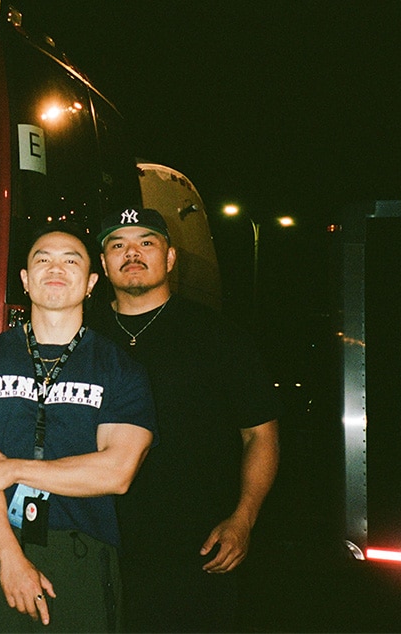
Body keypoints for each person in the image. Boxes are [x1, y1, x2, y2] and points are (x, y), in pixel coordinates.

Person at [0, 223, 156, 632]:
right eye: (43, 259)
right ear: (25, 280)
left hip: (82, 548)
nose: (55, 268)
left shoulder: (120, 369)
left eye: (70, 261)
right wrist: (10, 557)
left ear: (91, 283)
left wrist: (13, 469)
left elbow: (118, 471)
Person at [90, 207, 280, 633]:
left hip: (194, 548)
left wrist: (243, 519)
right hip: (95, 542)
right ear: (103, 263)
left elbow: (260, 434)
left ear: (171, 257)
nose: (132, 253)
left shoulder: (218, 335)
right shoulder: (80, 335)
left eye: (146, 243)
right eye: (118, 245)